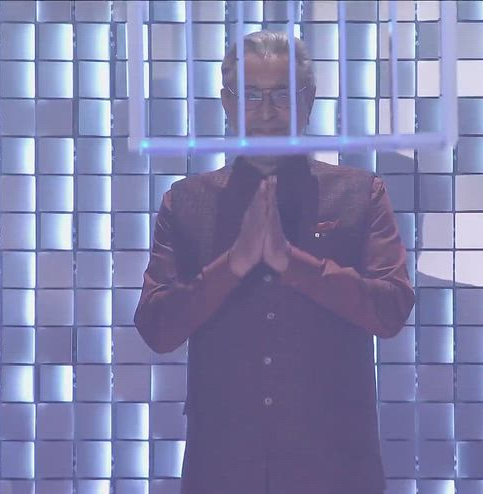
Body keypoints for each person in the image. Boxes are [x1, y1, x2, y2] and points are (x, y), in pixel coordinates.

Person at [134, 30, 415, 494]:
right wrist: (232, 266)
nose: (266, 112)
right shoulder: (186, 202)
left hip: (336, 467)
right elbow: (156, 328)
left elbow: (390, 310)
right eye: (250, 95)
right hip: (222, 467)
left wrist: (293, 264)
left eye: (282, 95)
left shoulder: (360, 194)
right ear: (227, 103)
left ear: (309, 101)